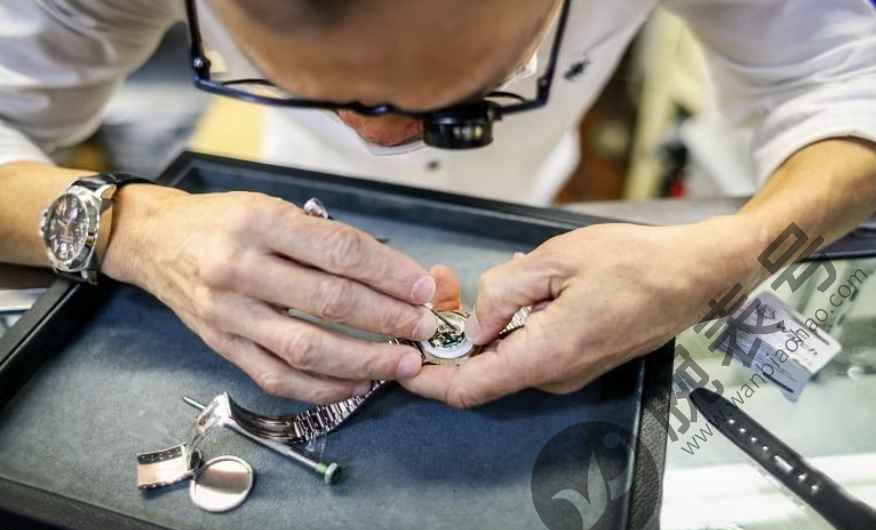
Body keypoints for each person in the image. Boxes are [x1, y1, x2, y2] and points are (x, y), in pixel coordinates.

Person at [0, 0, 874, 408]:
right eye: (321, 89)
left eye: (464, 102)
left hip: (532, 188)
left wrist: (731, 259)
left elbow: (846, 82)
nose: (381, 139)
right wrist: (129, 226)